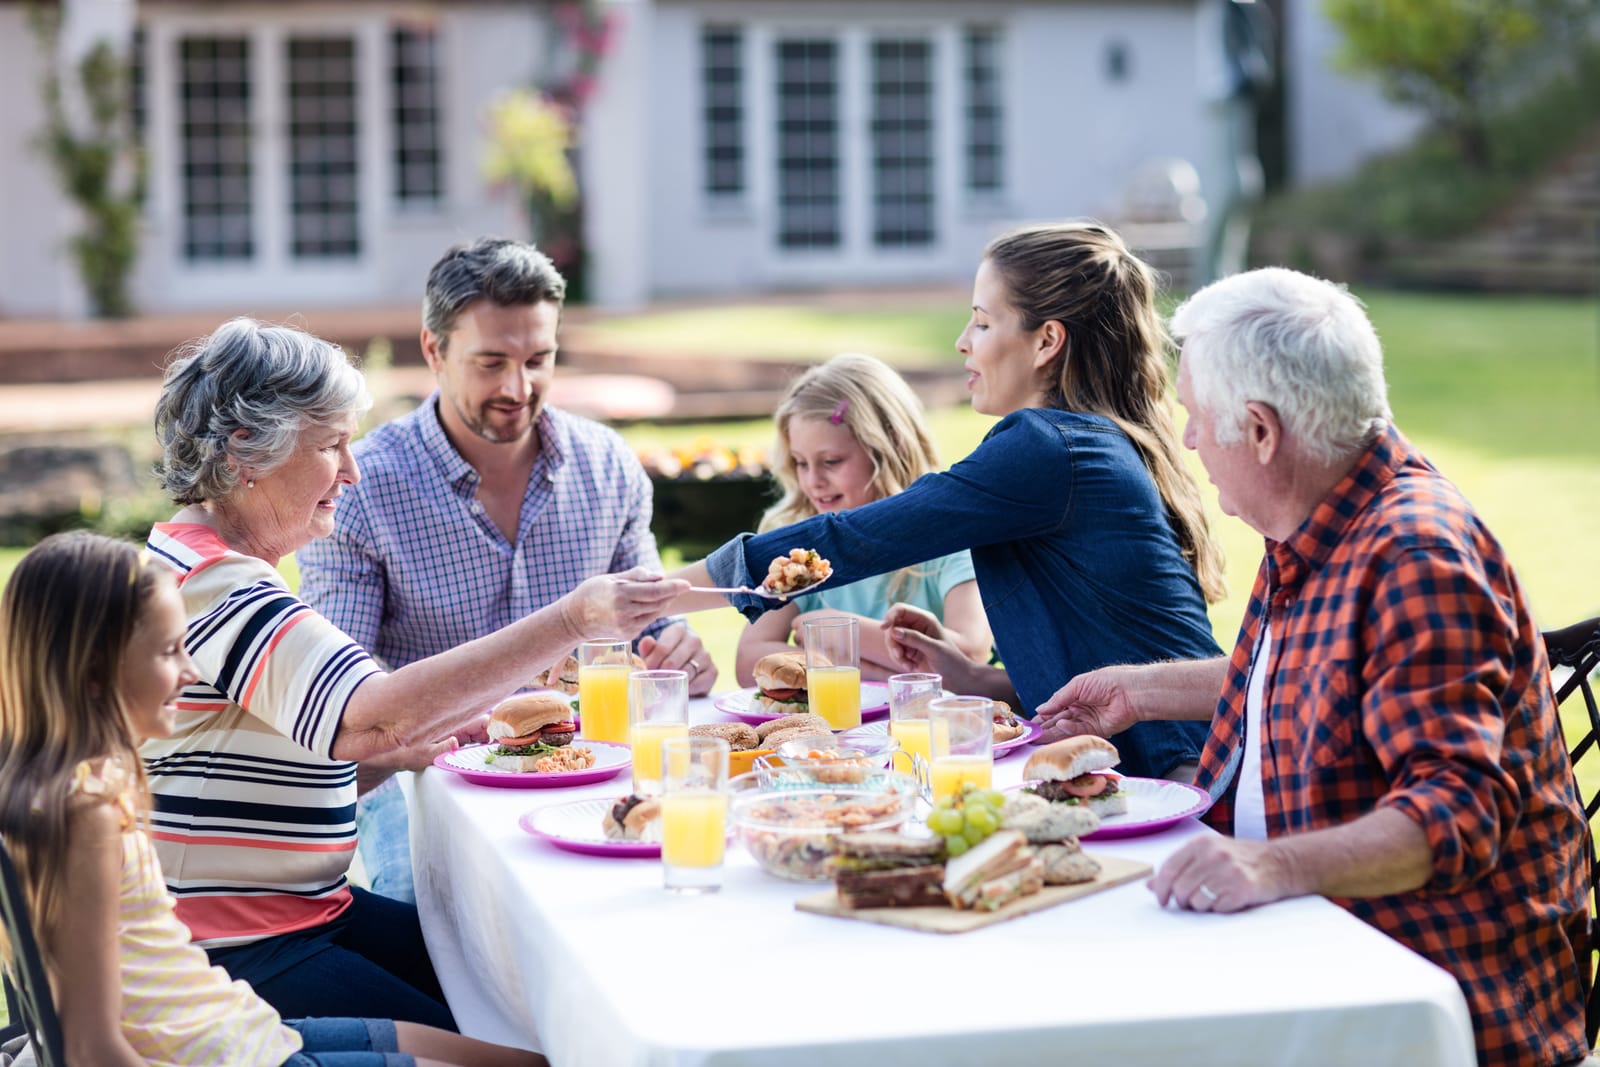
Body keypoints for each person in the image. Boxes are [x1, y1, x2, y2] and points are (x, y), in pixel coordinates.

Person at [1037, 267, 1589, 1067]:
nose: (1188, 440)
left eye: (1195, 417)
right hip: (1301, 945)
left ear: (1260, 431)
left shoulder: (1414, 554)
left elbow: (1458, 812)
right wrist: (1140, 689)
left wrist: (1269, 863)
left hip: (1415, 995)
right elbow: (1306, 672)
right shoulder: (1318, 514)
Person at [144, 317, 686, 1028]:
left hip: (295, 912)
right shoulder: (217, 584)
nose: (352, 469)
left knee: (519, 985)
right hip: (242, 947)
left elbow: (287, 757)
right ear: (249, 451)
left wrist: (419, 742)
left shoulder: (199, 560)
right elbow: (375, 716)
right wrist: (573, 619)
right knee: (517, 1023)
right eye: (331, 444)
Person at [673, 221, 1227, 782]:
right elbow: (1097, 655)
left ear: (1046, 341)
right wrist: (972, 677)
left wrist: (656, 596)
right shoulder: (1088, 439)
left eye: (983, 322)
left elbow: (853, 539)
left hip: (1175, 769)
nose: (963, 340)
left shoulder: (1046, 447)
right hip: (1168, 757)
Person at [0, 532, 544, 1067]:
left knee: (517, 1056)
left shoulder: (83, 786)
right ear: (96, 674)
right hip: (219, 1049)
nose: (190, 673)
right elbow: (91, 1049)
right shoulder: (83, 817)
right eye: (169, 653)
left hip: (234, 1025)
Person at [297, 237, 715, 902]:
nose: (517, 389)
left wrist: (675, 657)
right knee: (429, 918)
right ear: (434, 351)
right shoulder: (363, 490)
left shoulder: (609, 468)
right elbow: (342, 718)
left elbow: (647, 642)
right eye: (490, 362)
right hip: (423, 780)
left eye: (537, 360)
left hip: (589, 768)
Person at [734, 353, 992, 685]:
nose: (813, 481)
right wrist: (862, 668)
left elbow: (970, 653)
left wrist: (834, 627)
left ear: (887, 448)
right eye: (800, 463)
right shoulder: (801, 546)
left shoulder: (947, 537)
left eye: (831, 461)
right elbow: (748, 661)